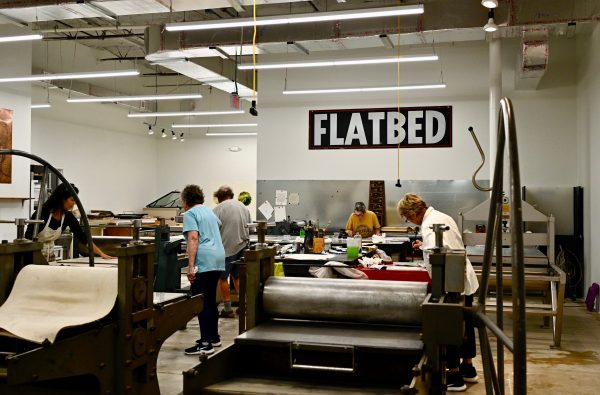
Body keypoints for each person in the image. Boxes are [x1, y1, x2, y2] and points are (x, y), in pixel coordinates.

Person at [397, 193, 479, 392]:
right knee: (466, 326)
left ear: (415, 212)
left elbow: (442, 252)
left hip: (451, 283)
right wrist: (424, 246)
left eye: (408, 218)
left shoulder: (428, 226)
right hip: (464, 280)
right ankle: (468, 369)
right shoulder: (442, 216)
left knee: (448, 326)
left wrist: (428, 248)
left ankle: (454, 375)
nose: (410, 222)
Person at [181, 184, 226, 356]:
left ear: (186, 200)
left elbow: (193, 238)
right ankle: (213, 337)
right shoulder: (209, 212)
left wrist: (191, 266)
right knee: (210, 300)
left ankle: (205, 344)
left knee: (201, 302)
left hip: (204, 259)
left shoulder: (190, 214)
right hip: (218, 257)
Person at [25, 183, 113, 261]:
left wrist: (101, 254)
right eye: (72, 200)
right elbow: (28, 238)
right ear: (62, 199)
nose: (74, 203)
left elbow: (83, 237)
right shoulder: (42, 213)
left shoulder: (67, 217)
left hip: (50, 258)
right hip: (33, 258)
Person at [213, 186, 251, 318]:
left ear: (218, 197)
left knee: (222, 278)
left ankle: (228, 310)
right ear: (232, 195)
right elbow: (250, 226)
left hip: (226, 248)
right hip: (242, 245)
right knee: (237, 276)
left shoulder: (218, 209)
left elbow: (213, 229)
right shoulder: (243, 207)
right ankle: (244, 305)